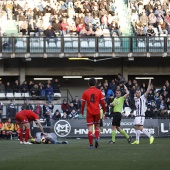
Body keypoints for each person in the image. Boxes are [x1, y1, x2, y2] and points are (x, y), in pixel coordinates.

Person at [81, 78, 106, 149]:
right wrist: (104, 110)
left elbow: (83, 104)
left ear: (88, 84)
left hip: (89, 112)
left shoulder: (85, 92)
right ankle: (97, 138)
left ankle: (91, 145)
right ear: (95, 84)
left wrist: (82, 111)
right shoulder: (99, 91)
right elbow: (103, 103)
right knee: (97, 127)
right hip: (97, 111)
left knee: (90, 129)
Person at [131, 79, 154, 145]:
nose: (138, 94)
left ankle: (151, 136)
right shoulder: (136, 99)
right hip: (137, 115)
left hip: (141, 115)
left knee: (140, 127)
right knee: (136, 127)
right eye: (137, 93)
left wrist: (149, 84)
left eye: (139, 93)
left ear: (140, 93)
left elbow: (147, 91)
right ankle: (137, 140)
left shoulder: (143, 97)